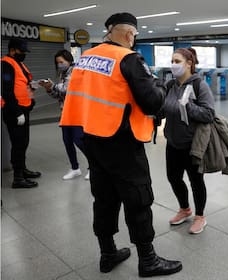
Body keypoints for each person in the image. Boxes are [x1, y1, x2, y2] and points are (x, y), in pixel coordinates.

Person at [59, 12, 182, 277]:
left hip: (92, 138)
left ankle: (107, 254)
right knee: (138, 198)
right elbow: (152, 102)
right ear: (129, 34)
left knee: (103, 199)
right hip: (123, 141)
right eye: (134, 35)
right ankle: (148, 261)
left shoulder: (86, 59)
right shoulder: (128, 59)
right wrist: (160, 85)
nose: (133, 40)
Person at [161, 48, 215, 234]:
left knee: (196, 181)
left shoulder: (200, 85)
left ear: (189, 64)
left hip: (192, 144)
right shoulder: (170, 85)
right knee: (173, 178)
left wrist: (189, 107)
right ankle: (185, 209)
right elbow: (163, 109)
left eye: (177, 61)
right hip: (172, 142)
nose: (173, 64)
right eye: (172, 61)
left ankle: (200, 216)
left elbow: (209, 114)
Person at [39, 50, 89, 180]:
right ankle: (75, 168)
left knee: (79, 140)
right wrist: (49, 89)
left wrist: (54, 85)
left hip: (77, 112)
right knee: (67, 141)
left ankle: (93, 167)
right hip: (65, 112)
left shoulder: (75, 71)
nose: (59, 65)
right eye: (57, 63)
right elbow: (59, 95)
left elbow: (68, 89)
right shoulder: (63, 74)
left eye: (61, 62)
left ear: (69, 60)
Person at [1, 38, 41, 188]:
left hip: (23, 108)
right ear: (12, 50)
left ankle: (22, 169)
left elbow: (21, 84)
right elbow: (6, 91)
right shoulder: (5, 64)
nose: (23, 54)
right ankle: (18, 178)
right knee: (18, 143)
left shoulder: (19, 63)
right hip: (13, 110)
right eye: (21, 51)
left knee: (23, 142)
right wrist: (17, 112)